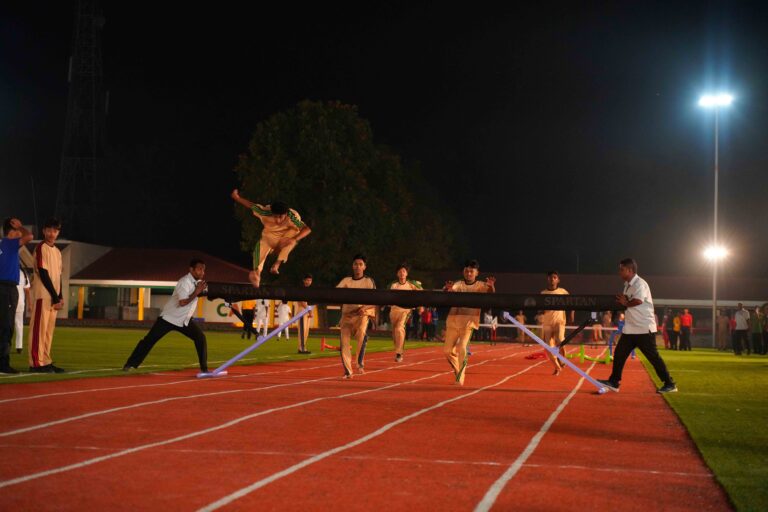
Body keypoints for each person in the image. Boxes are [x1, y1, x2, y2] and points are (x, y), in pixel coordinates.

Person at [598, 258, 677, 393]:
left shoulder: (640, 283)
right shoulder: (627, 285)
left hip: (644, 329)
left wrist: (625, 303)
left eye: (621, 269)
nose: (619, 272)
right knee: (619, 353)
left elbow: (638, 301)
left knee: (653, 358)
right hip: (631, 329)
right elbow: (627, 301)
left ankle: (670, 384)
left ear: (630, 270)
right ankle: (614, 381)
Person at [123, 259, 209, 372]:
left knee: (200, 338)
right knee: (149, 340)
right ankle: (130, 364)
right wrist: (197, 292)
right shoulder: (184, 282)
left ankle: (204, 370)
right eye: (199, 269)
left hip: (184, 320)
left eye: (203, 269)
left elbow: (206, 294)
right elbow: (182, 302)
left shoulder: (198, 283)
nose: (202, 272)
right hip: (169, 318)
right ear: (191, 269)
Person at [231, 189, 312, 287]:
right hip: (270, 238)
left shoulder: (292, 216)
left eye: (281, 217)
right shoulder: (264, 212)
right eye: (275, 217)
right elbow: (251, 205)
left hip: (285, 239)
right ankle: (257, 273)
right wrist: (237, 198)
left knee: (295, 234)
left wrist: (295, 239)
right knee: (262, 244)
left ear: (286, 214)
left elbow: (307, 229)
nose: (278, 220)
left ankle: (277, 264)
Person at [442, 259, 495, 386]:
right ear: (463, 272)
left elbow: (490, 292)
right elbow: (450, 290)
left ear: (477, 273)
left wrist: (491, 286)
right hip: (453, 321)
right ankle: (458, 371)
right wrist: (447, 289)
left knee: (462, 349)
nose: (469, 273)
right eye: (466, 271)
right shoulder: (459, 284)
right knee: (447, 351)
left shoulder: (481, 285)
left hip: (468, 323)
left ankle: (460, 377)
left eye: (472, 271)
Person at [28, 218, 66, 373]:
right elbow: (43, 273)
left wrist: (60, 295)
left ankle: (45, 360)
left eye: (55, 231)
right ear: (44, 231)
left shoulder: (57, 251)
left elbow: (59, 275)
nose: (52, 233)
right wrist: (55, 296)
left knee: (48, 331)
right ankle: (36, 363)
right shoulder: (41, 247)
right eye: (49, 230)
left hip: (53, 297)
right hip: (42, 295)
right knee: (39, 329)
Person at [0, 218, 34, 374]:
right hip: (7, 288)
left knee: (3, 326)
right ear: (11, 232)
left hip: (3, 287)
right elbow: (30, 237)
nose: (20, 234)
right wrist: (21, 226)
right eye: (17, 232)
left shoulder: (3, 245)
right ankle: (3, 363)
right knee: (7, 327)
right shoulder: (8, 243)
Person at [336, 254, 376, 378]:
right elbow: (335, 293)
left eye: (360, 264)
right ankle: (348, 371)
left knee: (361, 335)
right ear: (352, 266)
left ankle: (359, 362)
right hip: (347, 316)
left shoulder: (368, 281)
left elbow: (375, 299)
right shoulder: (346, 281)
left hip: (361, 315)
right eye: (355, 264)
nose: (357, 267)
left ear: (364, 267)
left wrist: (364, 307)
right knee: (344, 343)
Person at [540, 271, 575, 376]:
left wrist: (571, 315)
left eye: (555, 277)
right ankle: (557, 366)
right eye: (550, 277)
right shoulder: (543, 294)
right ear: (547, 279)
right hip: (547, 323)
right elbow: (539, 308)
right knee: (548, 347)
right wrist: (541, 311)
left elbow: (572, 302)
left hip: (559, 321)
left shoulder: (562, 292)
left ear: (558, 280)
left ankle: (562, 360)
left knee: (560, 340)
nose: (552, 279)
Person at [388, 263, 423, 362]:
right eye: (400, 271)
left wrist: (421, 306)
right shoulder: (393, 285)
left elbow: (422, 293)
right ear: (397, 274)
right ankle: (398, 351)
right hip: (394, 310)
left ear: (407, 273)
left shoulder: (411, 284)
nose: (402, 273)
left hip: (406, 310)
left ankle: (399, 353)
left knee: (399, 328)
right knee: (395, 332)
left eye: (403, 271)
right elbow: (387, 297)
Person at [296, 273, 313, 354]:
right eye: (307, 280)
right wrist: (310, 311)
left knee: (306, 331)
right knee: (302, 330)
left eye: (310, 280)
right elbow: (303, 302)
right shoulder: (301, 289)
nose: (309, 282)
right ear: (304, 280)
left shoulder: (308, 290)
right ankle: (301, 348)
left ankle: (303, 347)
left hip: (306, 310)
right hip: (302, 310)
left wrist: (310, 311)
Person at [15, 265, 31, 354]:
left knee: (6, 325)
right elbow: (27, 290)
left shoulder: (7, 270)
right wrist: (30, 304)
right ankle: (19, 347)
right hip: (20, 302)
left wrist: (30, 304)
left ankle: (6, 346)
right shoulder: (23, 273)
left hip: (12, 301)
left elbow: (27, 290)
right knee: (19, 325)